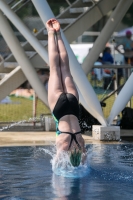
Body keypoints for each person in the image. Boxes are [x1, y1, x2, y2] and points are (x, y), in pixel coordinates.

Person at [46, 18, 86, 167]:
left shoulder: (81, 144)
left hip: (73, 104)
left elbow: (85, 162)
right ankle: (51, 32)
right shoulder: (64, 146)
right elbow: (56, 166)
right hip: (59, 108)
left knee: (65, 69)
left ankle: (59, 33)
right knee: (54, 69)